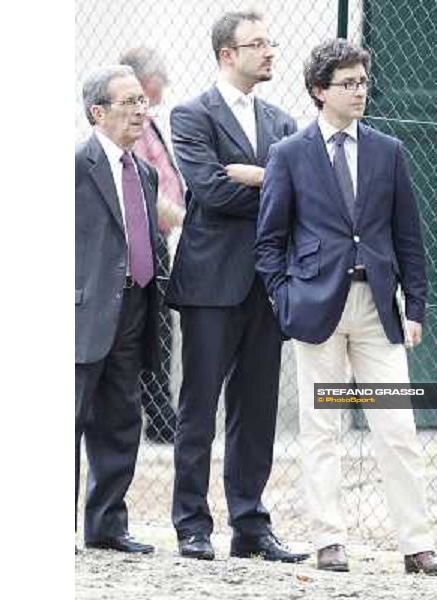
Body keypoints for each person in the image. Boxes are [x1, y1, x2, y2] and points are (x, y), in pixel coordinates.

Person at [255, 39, 437, 576]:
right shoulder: (290, 154)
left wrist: (416, 306)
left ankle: (417, 545)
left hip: (376, 311)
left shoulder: (389, 150)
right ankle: (329, 541)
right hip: (316, 310)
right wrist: (284, 298)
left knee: (397, 427)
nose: (360, 91)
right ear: (320, 91)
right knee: (322, 428)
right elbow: (269, 240)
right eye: (348, 83)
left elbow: (410, 235)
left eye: (363, 81)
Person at [165, 11, 307, 563]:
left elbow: (301, 193)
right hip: (208, 284)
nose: (270, 52)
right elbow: (209, 190)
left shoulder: (281, 119)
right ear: (228, 54)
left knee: (257, 410)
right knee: (198, 409)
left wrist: (251, 175)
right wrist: (275, 180)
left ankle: (250, 524)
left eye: (270, 42)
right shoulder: (190, 114)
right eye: (258, 44)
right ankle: (192, 525)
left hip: (267, 284)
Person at [75, 65, 160, 554]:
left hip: (133, 307)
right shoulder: (73, 166)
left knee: (121, 421)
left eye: (142, 102)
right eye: (128, 102)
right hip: (83, 313)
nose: (140, 111)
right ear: (98, 112)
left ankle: (107, 526)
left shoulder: (142, 170)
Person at [119, 47, 186, 444]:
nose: (164, 88)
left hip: (158, 237)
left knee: (162, 326)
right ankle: (158, 416)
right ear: (147, 81)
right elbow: (144, 190)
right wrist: (185, 219)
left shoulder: (149, 123)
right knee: (152, 328)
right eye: (161, 80)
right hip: (142, 238)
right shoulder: (130, 128)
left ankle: (162, 414)